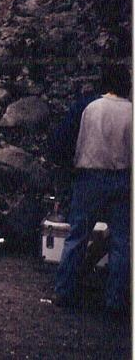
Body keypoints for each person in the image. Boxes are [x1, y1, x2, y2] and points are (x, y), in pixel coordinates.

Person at [54, 63, 132, 315]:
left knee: (77, 236)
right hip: (121, 179)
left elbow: (71, 142)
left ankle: (65, 291)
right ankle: (115, 300)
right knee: (122, 241)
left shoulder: (90, 107)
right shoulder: (131, 112)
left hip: (89, 178)